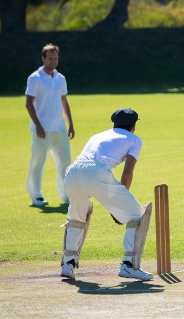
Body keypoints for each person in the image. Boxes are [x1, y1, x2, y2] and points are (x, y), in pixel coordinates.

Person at [60, 108, 154, 281]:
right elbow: (127, 173)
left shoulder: (97, 136)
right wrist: (119, 207)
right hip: (97, 173)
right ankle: (129, 266)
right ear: (134, 125)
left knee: (77, 215)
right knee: (138, 215)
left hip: (73, 173)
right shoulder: (134, 139)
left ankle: (68, 264)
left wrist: (116, 205)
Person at [25, 43, 75, 207]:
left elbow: (64, 102)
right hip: (42, 130)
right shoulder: (35, 78)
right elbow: (29, 104)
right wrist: (38, 125)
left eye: (55, 58)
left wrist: (70, 124)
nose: (53, 61)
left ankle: (67, 194)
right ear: (43, 58)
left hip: (59, 128)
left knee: (65, 162)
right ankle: (36, 195)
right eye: (50, 58)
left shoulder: (61, 78)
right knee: (38, 162)